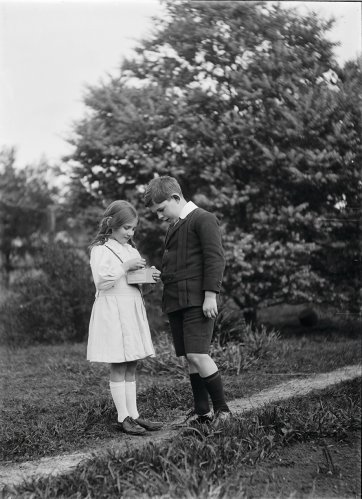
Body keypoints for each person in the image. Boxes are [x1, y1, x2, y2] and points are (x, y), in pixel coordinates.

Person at [144, 176, 231, 427]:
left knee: (198, 353)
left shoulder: (203, 218)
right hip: (177, 301)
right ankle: (202, 412)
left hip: (196, 299)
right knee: (191, 357)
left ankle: (223, 411)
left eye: (161, 209)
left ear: (175, 198)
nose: (160, 216)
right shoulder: (174, 225)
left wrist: (210, 295)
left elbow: (215, 259)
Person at [87, 200, 162, 436]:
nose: (130, 233)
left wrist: (148, 276)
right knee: (119, 362)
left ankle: (135, 415)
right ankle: (123, 417)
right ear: (112, 224)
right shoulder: (101, 249)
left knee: (131, 362)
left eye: (133, 229)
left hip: (130, 306)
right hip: (112, 309)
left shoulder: (131, 250)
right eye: (126, 228)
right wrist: (126, 266)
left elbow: (134, 282)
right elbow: (103, 281)